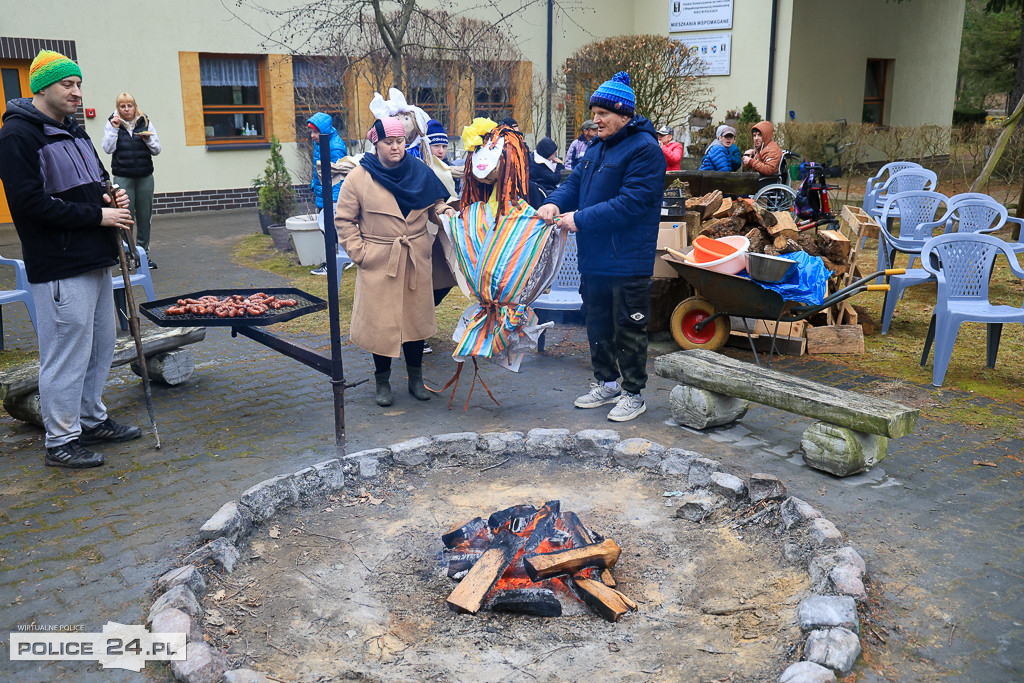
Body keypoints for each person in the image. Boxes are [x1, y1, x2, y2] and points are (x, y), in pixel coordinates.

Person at [0, 50, 142, 469]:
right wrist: (99, 215)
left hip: (95, 256)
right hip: (59, 264)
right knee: (65, 353)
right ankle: (60, 442)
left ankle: (90, 419)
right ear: (42, 87)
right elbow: (29, 205)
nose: (77, 92)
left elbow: (94, 181)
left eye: (79, 84)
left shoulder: (74, 131)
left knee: (99, 347)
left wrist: (109, 195)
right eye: (68, 85)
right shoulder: (17, 137)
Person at [536, 71, 665, 422]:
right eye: (594, 113)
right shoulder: (597, 148)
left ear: (624, 115)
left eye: (603, 114)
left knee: (628, 327)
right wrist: (554, 203)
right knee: (597, 324)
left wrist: (578, 219)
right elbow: (572, 184)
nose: (596, 120)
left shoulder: (646, 150)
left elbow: (631, 204)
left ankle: (633, 393)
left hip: (627, 260)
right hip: (594, 258)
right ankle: (607, 383)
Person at [334, 117, 457, 406]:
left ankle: (416, 379)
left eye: (400, 142)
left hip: (415, 257)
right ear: (376, 144)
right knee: (383, 326)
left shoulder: (419, 170)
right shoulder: (360, 177)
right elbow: (343, 220)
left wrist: (446, 212)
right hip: (379, 260)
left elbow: (435, 203)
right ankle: (383, 382)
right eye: (389, 142)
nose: (396, 147)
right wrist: (360, 254)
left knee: (415, 323)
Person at [101, 92, 161, 268]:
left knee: (144, 217)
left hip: (144, 177)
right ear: (118, 108)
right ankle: (126, 256)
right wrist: (113, 128)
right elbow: (107, 148)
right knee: (125, 218)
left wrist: (148, 139)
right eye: (122, 106)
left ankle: (143, 255)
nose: (127, 109)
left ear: (135, 106)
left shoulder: (145, 122)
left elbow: (157, 150)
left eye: (130, 105)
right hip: (123, 177)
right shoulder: (113, 123)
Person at [306, 112, 348, 276]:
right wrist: (313, 185)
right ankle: (335, 260)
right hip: (323, 194)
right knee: (327, 229)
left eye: (315, 132)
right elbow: (319, 171)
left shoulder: (335, 147)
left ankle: (335, 262)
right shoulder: (321, 143)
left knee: (332, 230)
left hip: (332, 198)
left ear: (323, 130)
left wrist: (335, 201)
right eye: (311, 132)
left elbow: (338, 177)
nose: (312, 136)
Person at [528, 136, 564, 208]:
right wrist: (560, 165)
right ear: (546, 154)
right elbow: (555, 179)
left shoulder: (534, 159)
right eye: (553, 154)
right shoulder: (538, 166)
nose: (555, 155)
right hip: (544, 194)